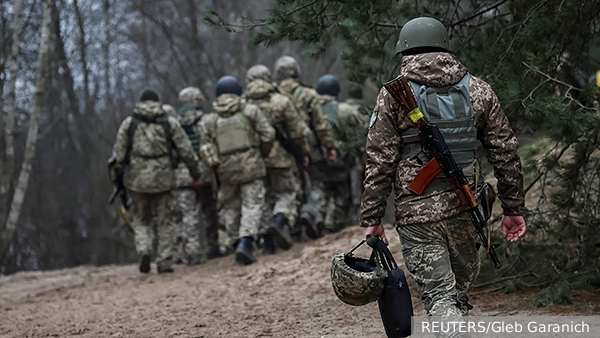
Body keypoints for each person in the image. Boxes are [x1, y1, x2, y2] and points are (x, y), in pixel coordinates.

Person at [361, 17, 526, 320]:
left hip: (417, 214)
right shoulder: (479, 90)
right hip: (466, 209)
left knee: (440, 298)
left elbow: (379, 158)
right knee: (455, 296)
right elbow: (505, 151)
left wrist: (372, 217)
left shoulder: (392, 94)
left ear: (405, 51)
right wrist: (513, 207)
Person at [112, 89, 202, 274]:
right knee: (166, 220)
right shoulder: (169, 122)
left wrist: (118, 182)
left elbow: (118, 157)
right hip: (164, 179)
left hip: (137, 180)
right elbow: (186, 151)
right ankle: (164, 262)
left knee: (140, 219)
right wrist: (195, 172)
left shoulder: (129, 124)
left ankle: (144, 249)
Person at [199, 76, 275, 265]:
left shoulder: (211, 119)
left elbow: (205, 146)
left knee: (231, 206)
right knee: (252, 204)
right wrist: (261, 154)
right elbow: (268, 135)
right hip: (251, 164)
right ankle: (246, 242)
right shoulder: (250, 110)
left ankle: (234, 241)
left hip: (225, 169)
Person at [244, 64, 310, 254]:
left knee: (263, 199)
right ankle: (279, 219)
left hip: (255, 161)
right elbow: (297, 132)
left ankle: (268, 244)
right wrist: (303, 154)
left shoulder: (243, 105)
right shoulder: (280, 101)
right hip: (281, 159)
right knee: (287, 193)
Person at [274, 56, 337, 238]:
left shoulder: (274, 96)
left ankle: (293, 232)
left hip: (282, 150)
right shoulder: (308, 94)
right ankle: (309, 212)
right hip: (311, 147)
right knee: (318, 183)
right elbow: (320, 124)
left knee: (292, 188)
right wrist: (329, 146)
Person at [175, 86, 222, 262]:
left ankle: (192, 253)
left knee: (189, 215)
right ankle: (213, 246)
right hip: (206, 172)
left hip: (182, 175)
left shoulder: (174, 123)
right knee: (211, 211)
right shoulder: (207, 120)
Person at [315, 74, 357, 232]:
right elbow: (359, 130)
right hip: (340, 159)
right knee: (342, 192)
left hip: (318, 158)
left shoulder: (312, 109)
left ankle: (320, 216)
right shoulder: (344, 110)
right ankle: (334, 225)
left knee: (323, 190)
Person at [337, 83, 370, 223]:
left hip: (338, 155)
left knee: (341, 189)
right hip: (357, 155)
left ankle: (340, 221)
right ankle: (357, 218)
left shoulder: (340, 109)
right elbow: (365, 134)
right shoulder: (363, 111)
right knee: (358, 186)